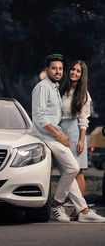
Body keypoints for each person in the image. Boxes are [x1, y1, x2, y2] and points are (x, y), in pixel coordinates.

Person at [31, 53, 105, 222]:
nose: (58, 71)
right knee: (72, 168)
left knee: (70, 170)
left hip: (58, 134)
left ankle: (83, 211)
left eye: (60, 68)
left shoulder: (56, 88)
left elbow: (82, 119)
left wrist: (76, 137)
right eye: (54, 68)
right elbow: (40, 117)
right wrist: (58, 134)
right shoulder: (44, 87)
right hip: (48, 136)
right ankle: (57, 205)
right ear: (47, 69)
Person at [60, 61, 91, 197]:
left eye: (78, 71)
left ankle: (80, 209)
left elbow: (84, 120)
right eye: (73, 69)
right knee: (65, 170)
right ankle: (67, 202)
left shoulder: (84, 94)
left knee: (77, 171)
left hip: (75, 131)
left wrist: (82, 140)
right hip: (59, 130)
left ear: (82, 75)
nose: (74, 72)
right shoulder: (61, 90)